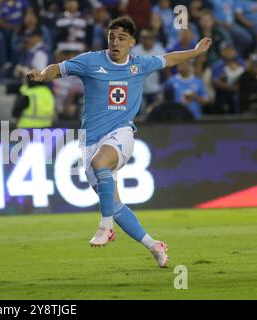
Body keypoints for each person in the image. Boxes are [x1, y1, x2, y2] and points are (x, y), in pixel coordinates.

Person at [27, 16, 212, 268]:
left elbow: (169, 59)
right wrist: (41, 74)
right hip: (90, 140)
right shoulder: (90, 61)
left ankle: (105, 227)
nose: (115, 42)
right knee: (113, 204)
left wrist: (194, 51)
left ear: (132, 43)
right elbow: (58, 68)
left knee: (100, 162)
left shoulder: (140, 64)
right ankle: (154, 245)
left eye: (122, 38)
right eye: (112, 37)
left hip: (121, 133)